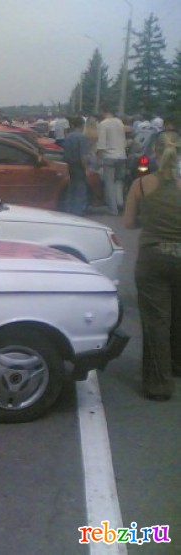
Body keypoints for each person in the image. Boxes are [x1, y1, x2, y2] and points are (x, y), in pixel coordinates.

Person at [123, 130, 181, 401]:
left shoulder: (141, 185)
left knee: (157, 320)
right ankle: (176, 364)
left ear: (155, 155)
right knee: (178, 316)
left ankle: (159, 384)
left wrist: (148, 220)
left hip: (153, 258)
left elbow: (128, 223)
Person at [96, 106, 127, 215]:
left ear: (103, 112)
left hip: (109, 156)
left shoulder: (103, 124)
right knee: (119, 181)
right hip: (122, 155)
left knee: (109, 182)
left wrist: (99, 159)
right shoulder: (120, 122)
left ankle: (113, 209)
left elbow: (101, 144)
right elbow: (123, 140)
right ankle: (120, 203)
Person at [62, 116, 90, 215]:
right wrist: (86, 168)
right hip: (79, 166)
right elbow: (83, 156)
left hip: (68, 165)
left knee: (71, 189)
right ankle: (78, 212)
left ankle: (69, 210)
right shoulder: (82, 137)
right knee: (80, 189)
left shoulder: (68, 137)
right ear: (82, 125)